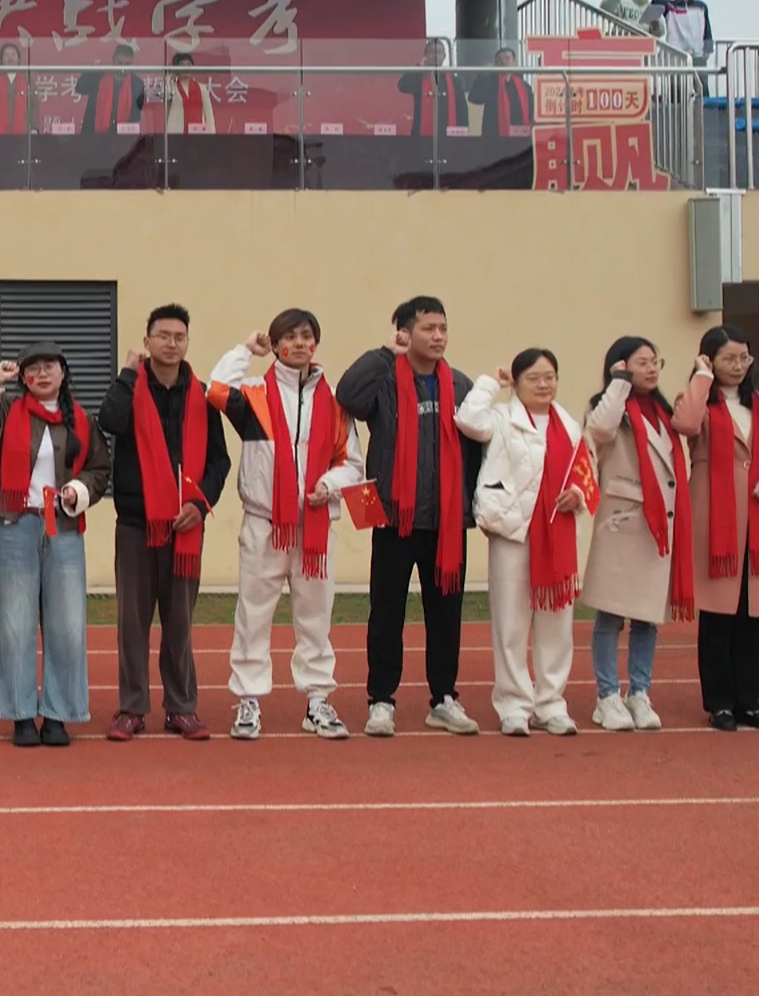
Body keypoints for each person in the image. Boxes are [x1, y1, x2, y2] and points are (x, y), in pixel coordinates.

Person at [209, 311, 362, 741]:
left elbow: (351, 463)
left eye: (306, 336)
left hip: (315, 525)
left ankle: (317, 701)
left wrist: (329, 485)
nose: (298, 343)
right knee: (253, 615)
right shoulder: (255, 394)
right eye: (288, 337)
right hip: (265, 524)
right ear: (276, 346)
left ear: (316, 344)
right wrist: (246, 350)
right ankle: (248, 700)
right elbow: (215, 389)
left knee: (316, 616)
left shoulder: (336, 401)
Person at [334, 296, 483, 737]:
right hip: (394, 519)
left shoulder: (460, 385)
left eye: (443, 328)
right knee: (386, 614)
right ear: (404, 332)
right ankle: (381, 699)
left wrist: (469, 501)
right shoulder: (383, 381)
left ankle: (444, 698)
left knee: (446, 615)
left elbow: (479, 444)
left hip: (447, 523)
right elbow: (347, 395)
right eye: (427, 328)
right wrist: (385, 354)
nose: (438, 336)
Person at [0, 343, 110, 747]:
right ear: (22, 377)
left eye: (49, 366)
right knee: (14, 623)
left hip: (64, 527)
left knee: (67, 625)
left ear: (63, 372)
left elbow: (99, 469)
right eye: (33, 369)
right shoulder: (4, 412)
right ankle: (20, 714)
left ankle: (58, 715)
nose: (42, 374)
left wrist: (78, 491)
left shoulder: (81, 420)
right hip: (16, 524)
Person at [99, 304, 231, 742]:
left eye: (179, 337)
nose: (171, 344)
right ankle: (132, 708)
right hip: (137, 523)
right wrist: (126, 374)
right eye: (163, 336)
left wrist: (201, 502)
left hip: (186, 526)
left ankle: (181, 708)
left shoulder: (204, 395)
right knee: (132, 622)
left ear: (187, 342)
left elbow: (219, 460)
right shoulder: (131, 387)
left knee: (179, 623)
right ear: (148, 340)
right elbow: (109, 421)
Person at [456, 349, 584, 737]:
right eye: (533, 378)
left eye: (550, 377)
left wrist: (578, 494)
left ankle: (551, 703)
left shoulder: (569, 425)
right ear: (517, 382)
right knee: (511, 622)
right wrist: (491, 383)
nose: (543, 385)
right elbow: (467, 419)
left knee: (557, 624)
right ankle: (513, 704)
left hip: (557, 534)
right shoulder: (500, 417)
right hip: (512, 530)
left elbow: (584, 473)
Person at [673, 326, 759, 732]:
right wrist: (701, 377)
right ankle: (720, 702)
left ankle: (749, 702)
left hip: (758, 520)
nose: (739, 365)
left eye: (744, 357)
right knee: (717, 618)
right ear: (709, 359)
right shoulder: (699, 403)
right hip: (715, 521)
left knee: (750, 618)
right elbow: (685, 425)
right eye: (729, 358)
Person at [582, 337, 684, 732]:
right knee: (610, 615)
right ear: (621, 366)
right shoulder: (611, 407)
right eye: (642, 362)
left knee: (647, 619)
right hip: (623, 525)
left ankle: (639, 692)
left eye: (655, 361)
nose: (651, 368)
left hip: (658, 528)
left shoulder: (663, 412)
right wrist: (619, 383)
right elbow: (600, 430)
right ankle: (607, 695)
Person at [396, 39, 468, 139]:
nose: (435, 56)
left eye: (439, 52)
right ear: (425, 56)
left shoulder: (454, 81)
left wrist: (462, 134)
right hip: (421, 136)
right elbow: (402, 85)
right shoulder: (419, 78)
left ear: (444, 56)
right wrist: (419, 67)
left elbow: (462, 111)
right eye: (432, 52)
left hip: (448, 136)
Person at [76, 43, 149, 135]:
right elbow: (80, 88)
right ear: (113, 60)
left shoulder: (137, 84)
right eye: (120, 63)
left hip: (123, 137)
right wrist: (92, 71)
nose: (123, 67)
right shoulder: (98, 76)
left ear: (132, 63)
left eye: (127, 64)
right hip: (93, 135)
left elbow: (136, 116)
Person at [647, 0, 714, 62]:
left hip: (698, 54)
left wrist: (708, 50)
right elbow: (656, 1)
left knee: (700, 71)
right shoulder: (670, 6)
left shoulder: (701, 6)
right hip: (676, 54)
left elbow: (707, 29)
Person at [477, 46, 534, 137]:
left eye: (507, 58)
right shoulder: (489, 83)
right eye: (499, 60)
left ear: (514, 62)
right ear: (495, 65)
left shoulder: (524, 86)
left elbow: (532, 110)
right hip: (494, 136)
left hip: (521, 136)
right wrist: (483, 74)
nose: (503, 62)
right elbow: (475, 98)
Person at [0, 42, 32, 135]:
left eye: (13, 55)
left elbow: (34, 105)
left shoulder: (27, 78)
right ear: (1, 60)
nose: (10, 58)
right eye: (6, 55)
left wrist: (34, 128)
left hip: (22, 130)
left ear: (18, 59)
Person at [165, 50, 218, 135]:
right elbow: (165, 96)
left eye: (189, 64)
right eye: (182, 65)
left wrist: (212, 135)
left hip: (198, 133)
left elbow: (209, 114)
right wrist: (167, 78)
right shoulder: (172, 87)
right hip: (177, 133)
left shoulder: (202, 88)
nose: (186, 67)